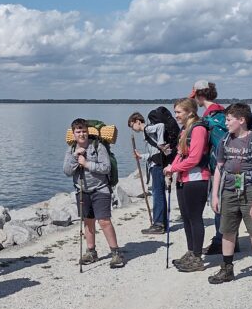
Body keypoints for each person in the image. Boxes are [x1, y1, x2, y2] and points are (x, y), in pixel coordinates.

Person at [209, 102, 252, 289]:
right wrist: (215, 196)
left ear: (241, 120)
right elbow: (219, 169)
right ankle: (227, 269)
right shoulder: (225, 140)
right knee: (227, 231)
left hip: (250, 190)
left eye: (229, 119)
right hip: (229, 190)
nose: (226, 123)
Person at [63, 119, 125, 268]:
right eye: (78, 131)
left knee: (104, 221)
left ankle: (116, 253)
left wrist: (86, 164)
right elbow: (66, 171)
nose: (82, 134)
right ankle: (91, 251)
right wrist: (75, 158)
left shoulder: (98, 146)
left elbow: (106, 168)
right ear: (73, 133)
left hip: (100, 189)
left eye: (84, 130)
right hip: (82, 191)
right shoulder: (71, 149)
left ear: (88, 131)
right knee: (88, 222)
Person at [164, 99, 211, 272]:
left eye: (179, 112)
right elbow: (180, 154)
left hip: (197, 178)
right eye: (175, 112)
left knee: (195, 218)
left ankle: (197, 257)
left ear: (190, 112)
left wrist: (173, 167)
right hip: (184, 179)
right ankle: (191, 251)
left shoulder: (198, 129)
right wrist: (171, 169)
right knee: (186, 217)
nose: (176, 115)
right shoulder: (185, 129)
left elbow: (194, 158)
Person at [191, 80, 227, 255]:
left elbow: (218, 145)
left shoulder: (211, 117)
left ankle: (221, 241)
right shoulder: (223, 113)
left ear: (200, 94)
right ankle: (229, 240)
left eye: (195, 96)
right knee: (225, 204)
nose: (195, 101)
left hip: (219, 168)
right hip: (231, 167)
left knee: (218, 204)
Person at [128, 111, 173, 234]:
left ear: (138, 121)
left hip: (157, 165)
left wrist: (160, 142)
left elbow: (161, 126)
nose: (133, 129)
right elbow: (153, 153)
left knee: (157, 193)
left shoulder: (147, 128)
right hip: (156, 163)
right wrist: (141, 156)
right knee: (159, 193)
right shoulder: (147, 132)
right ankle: (163, 222)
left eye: (132, 126)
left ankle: (158, 224)